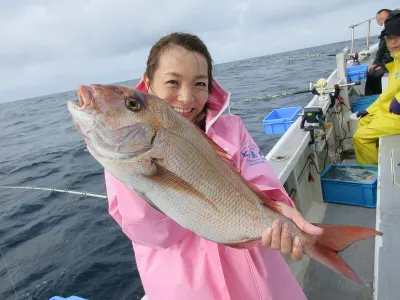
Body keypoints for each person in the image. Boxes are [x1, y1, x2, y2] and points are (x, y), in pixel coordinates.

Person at [104, 32, 323, 299]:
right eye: (173, 82)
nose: (187, 98)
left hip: (258, 280)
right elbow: (152, 234)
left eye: (199, 84)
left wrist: (282, 211)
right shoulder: (127, 149)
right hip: (186, 288)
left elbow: (263, 183)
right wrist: (141, 170)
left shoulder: (232, 129)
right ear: (148, 84)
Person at [354, 18, 400, 165]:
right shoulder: (396, 61)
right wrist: (369, 110)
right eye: (390, 38)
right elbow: (387, 95)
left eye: (397, 37)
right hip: (390, 111)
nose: (393, 42)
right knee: (364, 121)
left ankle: (374, 172)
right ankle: (381, 156)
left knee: (360, 137)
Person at [364, 9, 397, 95]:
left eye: (382, 18)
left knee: (373, 75)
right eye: (378, 20)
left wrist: (383, 66)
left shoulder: (394, 27)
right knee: (371, 72)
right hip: (390, 62)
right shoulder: (388, 30)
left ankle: (376, 97)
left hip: (394, 64)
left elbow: (394, 52)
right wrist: (377, 63)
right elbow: (382, 49)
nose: (381, 21)